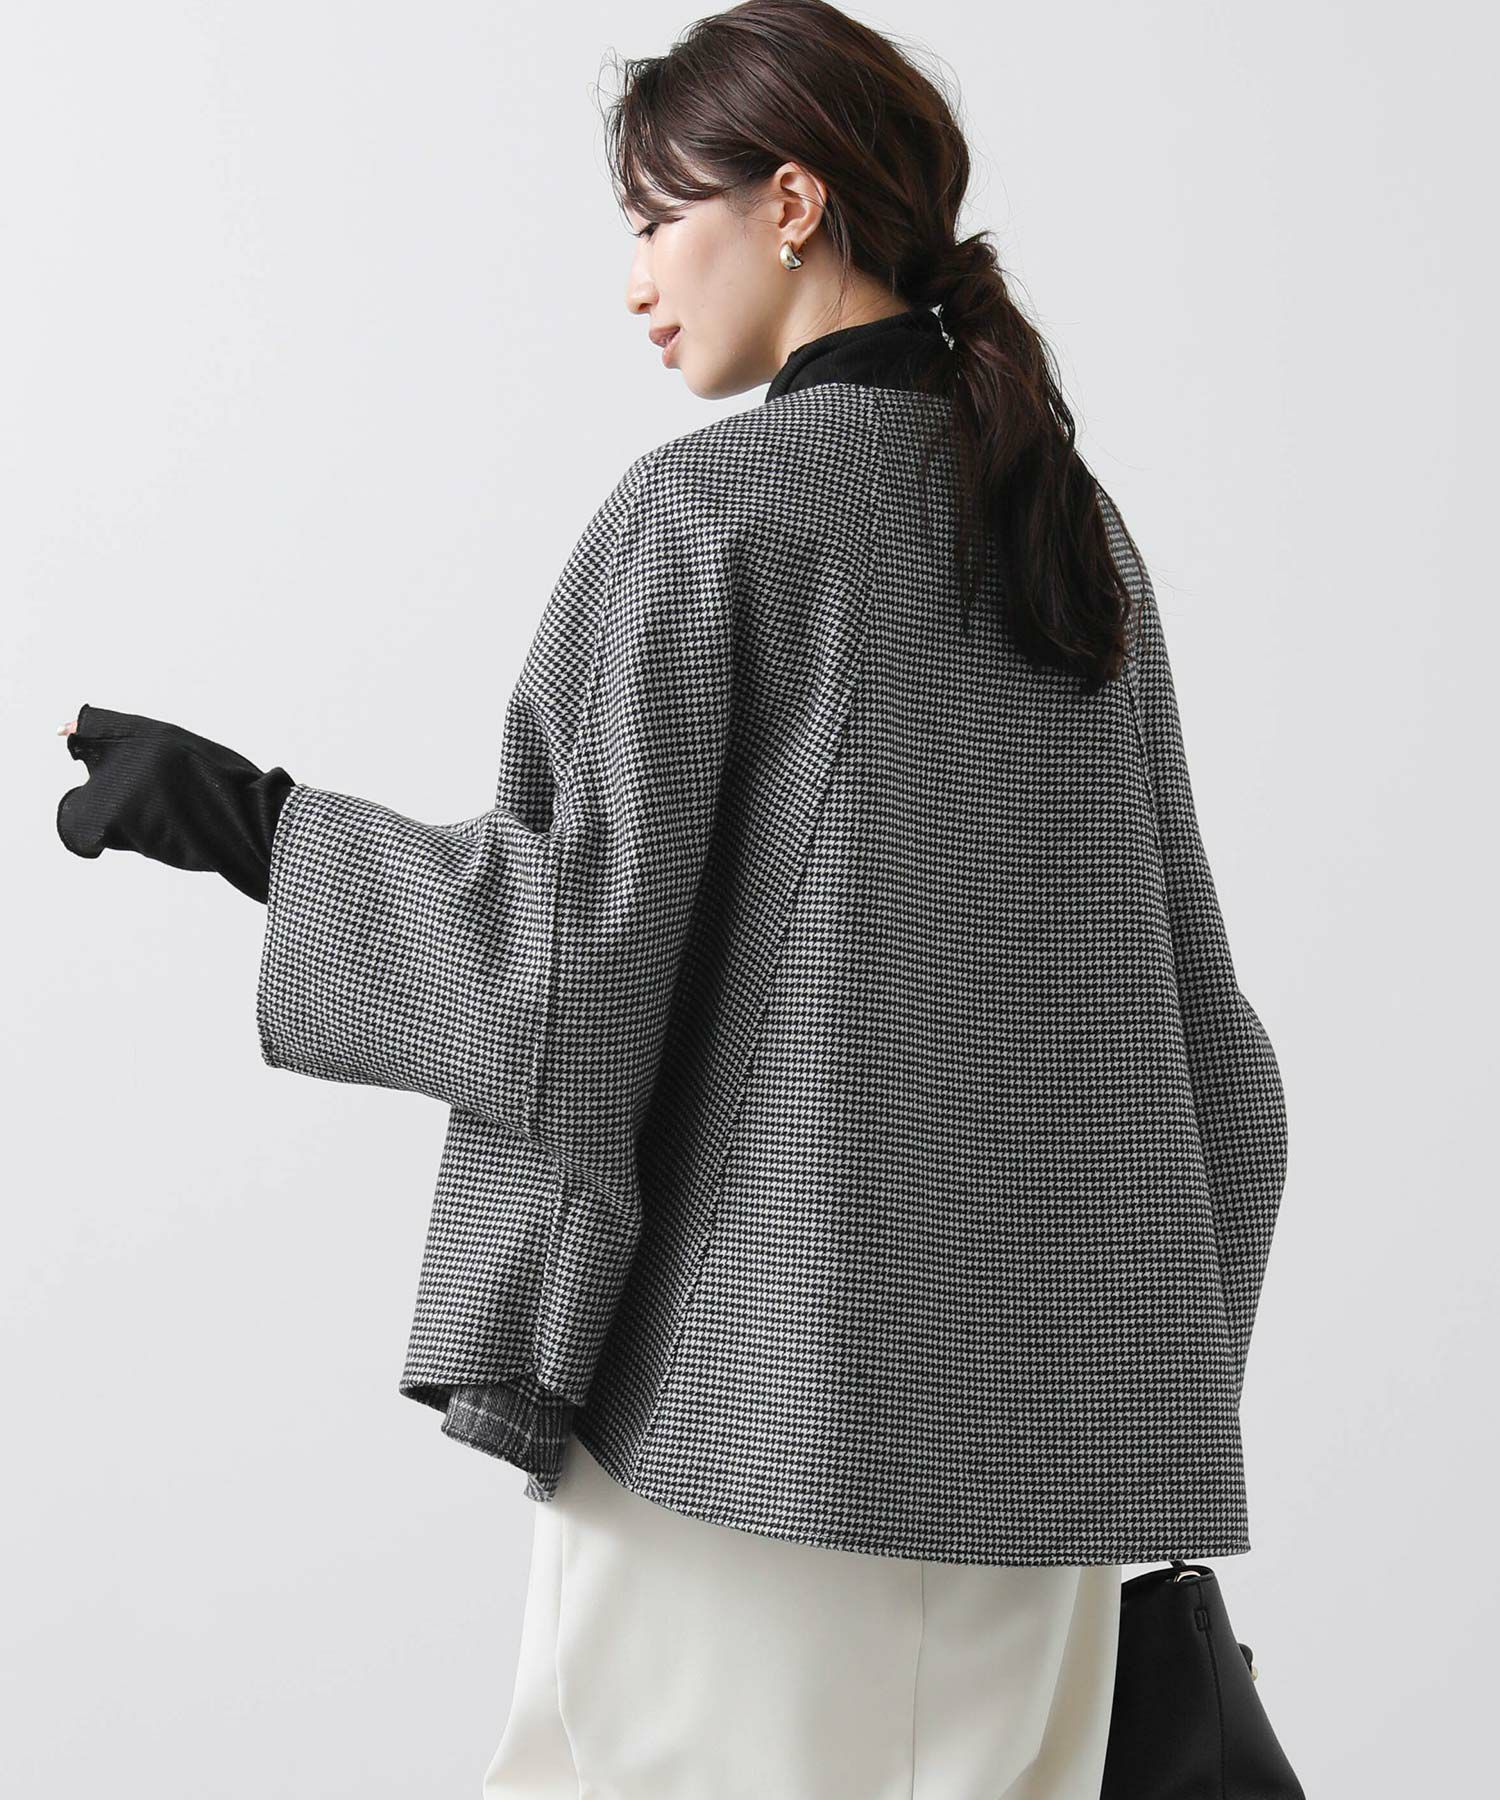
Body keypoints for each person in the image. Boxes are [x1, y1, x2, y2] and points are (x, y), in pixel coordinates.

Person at [54, 3, 1291, 1794]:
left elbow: (565, 968)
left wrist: (255, 825)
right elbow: (1207, 1039)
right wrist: (1139, 1377)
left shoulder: (709, 515)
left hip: (749, 1431)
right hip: (1045, 1471)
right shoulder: (1069, 536)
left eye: (657, 217)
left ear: (791, 203)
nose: (635, 277)